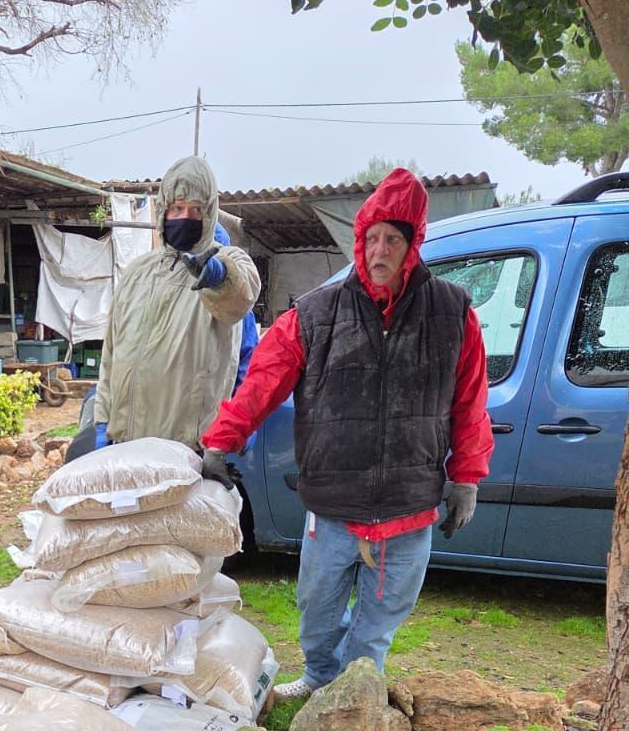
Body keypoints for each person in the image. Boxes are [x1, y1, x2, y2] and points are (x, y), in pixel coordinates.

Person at [201, 167, 493, 701]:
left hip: (409, 505)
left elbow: (471, 402)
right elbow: (262, 382)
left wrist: (467, 478)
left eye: (394, 239)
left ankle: (356, 697)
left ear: (413, 245)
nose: (381, 251)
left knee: (378, 623)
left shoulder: (453, 313)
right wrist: (223, 440)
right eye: (372, 238)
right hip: (333, 504)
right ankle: (317, 677)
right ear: (360, 242)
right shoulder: (316, 314)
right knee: (318, 609)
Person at [89, 156, 261, 451]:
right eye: (177, 208)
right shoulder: (136, 273)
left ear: (209, 215)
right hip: (126, 442)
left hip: (186, 450)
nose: (185, 217)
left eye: (196, 210)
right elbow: (111, 355)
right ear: (163, 211)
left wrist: (217, 275)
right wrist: (103, 418)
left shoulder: (226, 260)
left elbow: (240, 292)